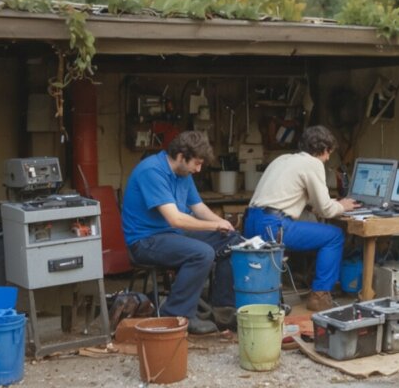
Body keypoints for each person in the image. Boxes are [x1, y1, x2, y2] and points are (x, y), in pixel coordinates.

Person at [122, 131, 241, 334]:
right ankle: (177, 314)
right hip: (145, 241)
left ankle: (223, 311)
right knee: (202, 253)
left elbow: (198, 208)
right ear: (180, 156)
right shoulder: (152, 171)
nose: (199, 169)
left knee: (232, 241)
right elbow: (175, 219)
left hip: (172, 235)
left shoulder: (183, 173)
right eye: (197, 163)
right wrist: (214, 226)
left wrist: (222, 223)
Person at [244, 125, 359, 311]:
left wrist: (314, 204)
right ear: (322, 149)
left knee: (317, 231)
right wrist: (342, 206)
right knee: (335, 236)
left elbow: (285, 195)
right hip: (273, 226)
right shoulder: (313, 163)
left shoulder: (282, 159)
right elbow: (327, 210)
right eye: (328, 153)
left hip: (251, 221)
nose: (328, 158)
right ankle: (320, 296)